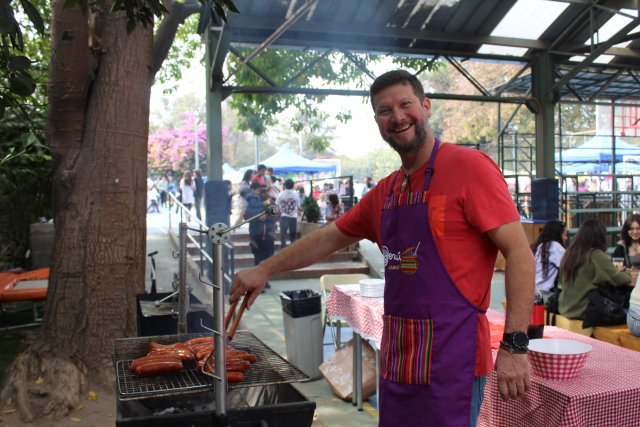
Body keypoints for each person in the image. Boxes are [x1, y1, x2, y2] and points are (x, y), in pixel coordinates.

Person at [230, 69, 534, 426]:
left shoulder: (469, 168)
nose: (397, 117)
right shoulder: (386, 191)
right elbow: (329, 237)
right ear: (377, 121)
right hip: (399, 358)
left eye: (405, 105)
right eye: (385, 111)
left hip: (453, 360)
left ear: (426, 106)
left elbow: (520, 255)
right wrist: (264, 268)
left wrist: (515, 345)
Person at [559, 218, 631, 320]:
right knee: (632, 315)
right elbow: (618, 279)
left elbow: (561, 281)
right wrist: (628, 273)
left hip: (565, 308)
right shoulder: (595, 255)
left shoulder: (568, 254)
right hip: (584, 310)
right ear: (599, 236)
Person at [245, 182, 275, 289]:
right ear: (253, 190)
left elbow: (276, 213)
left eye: (264, 190)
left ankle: (264, 281)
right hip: (257, 235)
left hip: (268, 235)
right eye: (260, 190)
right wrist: (261, 215)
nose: (262, 192)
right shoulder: (251, 201)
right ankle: (259, 283)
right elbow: (248, 215)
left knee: (268, 259)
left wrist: (268, 215)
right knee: (258, 260)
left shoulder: (268, 200)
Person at [532, 219, 568, 300]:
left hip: (535, 289)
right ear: (558, 234)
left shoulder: (542, 245)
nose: (566, 238)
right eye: (565, 235)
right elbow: (568, 266)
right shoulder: (555, 247)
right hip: (545, 293)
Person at [275, 179, 300, 249]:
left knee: (283, 233)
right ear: (293, 186)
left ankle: (283, 246)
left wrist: (279, 212)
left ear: (285, 185)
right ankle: (293, 247)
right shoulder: (296, 194)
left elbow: (276, 204)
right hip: (293, 216)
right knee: (293, 233)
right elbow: (298, 206)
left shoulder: (281, 194)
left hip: (283, 216)